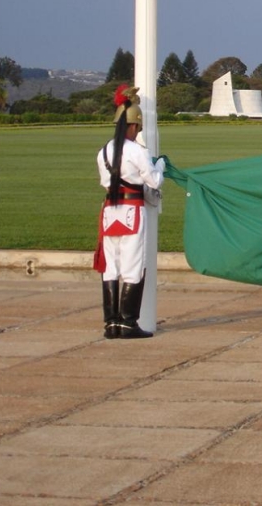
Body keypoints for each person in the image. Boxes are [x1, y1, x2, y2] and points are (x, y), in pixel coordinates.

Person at [96, 85, 165, 339]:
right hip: (132, 210)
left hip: (110, 211)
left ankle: (111, 323)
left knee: (111, 267)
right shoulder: (137, 151)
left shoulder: (103, 151)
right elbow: (154, 181)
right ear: (134, 126)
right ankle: (128, 323)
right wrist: (160, 166)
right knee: (133, 265)